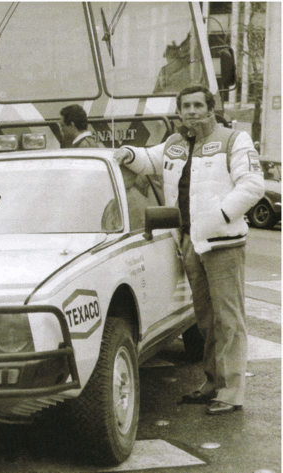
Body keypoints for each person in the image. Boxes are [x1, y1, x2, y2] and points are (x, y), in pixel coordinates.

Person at [114, 85, 264, 415]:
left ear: (211, 109)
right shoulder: (175, 143)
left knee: (229, 319)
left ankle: (231, 390)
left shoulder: (233, 140)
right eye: (186, 106)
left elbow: (253, 185)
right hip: (190, 243)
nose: (192, 111)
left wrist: (219, 217)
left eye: (198, 105)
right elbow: (149, 160)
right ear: (179, 112)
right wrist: (128, 154)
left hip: (222, 244)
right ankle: (213, 381)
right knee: (206, 319)